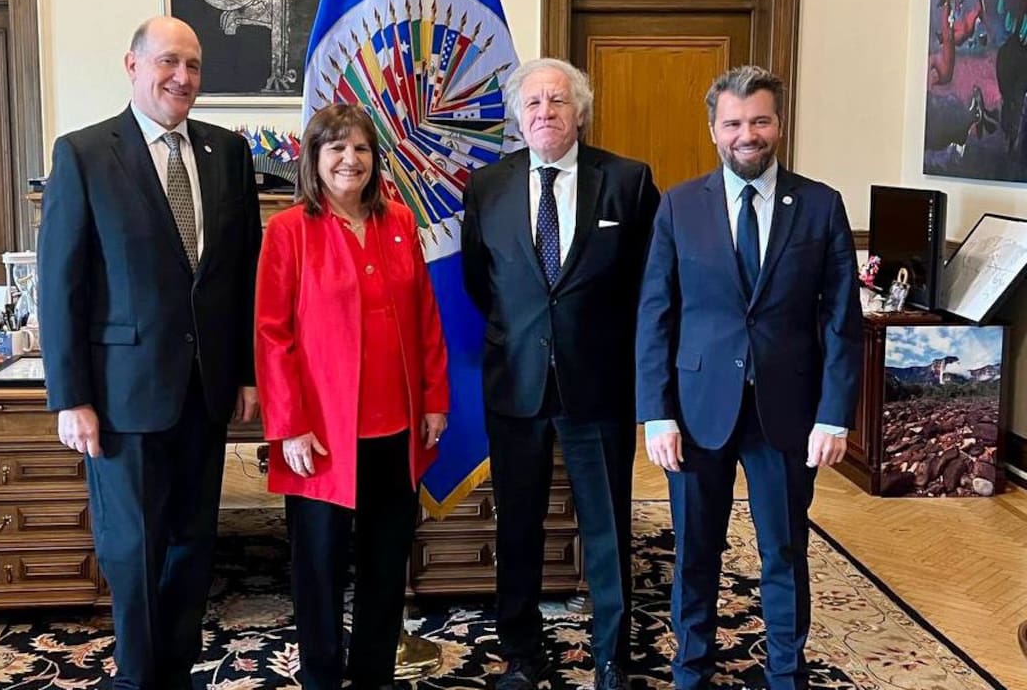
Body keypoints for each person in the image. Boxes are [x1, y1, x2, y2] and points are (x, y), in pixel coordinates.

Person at [38, 16, 261, 690]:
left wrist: (246, 373)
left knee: (193, 546)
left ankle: (176, 671)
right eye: (168, 62)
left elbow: (240, 274)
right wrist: (70, 397)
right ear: (132, 66)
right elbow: (60, 285)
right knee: (133, 551)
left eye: (193, 65)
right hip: (122, 397)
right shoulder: (83, 154)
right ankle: (138, 677)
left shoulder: (229, 153)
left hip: (206, 391)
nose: (183, 78)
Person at [635, 65, 863, 690]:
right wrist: (655, 412)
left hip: (787, 414)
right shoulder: (680, 205)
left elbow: (843, 322)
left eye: (759, 120)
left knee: (783, 551)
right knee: (695, 553)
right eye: (733, 122)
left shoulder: (820, 205)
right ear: (714, 129)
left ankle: (787, 675)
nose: (747, 134)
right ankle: (691, 669)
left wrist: (834, 414)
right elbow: (656, 313)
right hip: (695, 411)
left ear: (778, 125)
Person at [461, 58, 660, 690]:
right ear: (518, 118)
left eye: (557, 101)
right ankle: (521, 653)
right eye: (533, 104)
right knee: (517, 526)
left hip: (596, 386)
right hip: (515, 384)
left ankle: (611, 658)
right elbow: (479, 282)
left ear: (580, 110)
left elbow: (648, 286)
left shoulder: (627, 182)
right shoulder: (486, 187)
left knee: (606, 527)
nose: (545, 112)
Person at [254, 104, 449, 690]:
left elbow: (425, 319)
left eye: (361, 148)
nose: (350, 159)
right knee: (319, 569)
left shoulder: (398, 223)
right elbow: (271, 332)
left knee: (386, 565)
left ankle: (372, 675)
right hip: (321, 434)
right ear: (314, 159)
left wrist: (435, 399)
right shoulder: (290, 230)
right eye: (336, 148)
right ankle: (320, 678)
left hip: (397, 427)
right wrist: (288, 424)